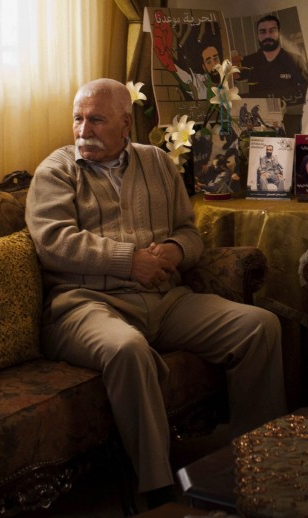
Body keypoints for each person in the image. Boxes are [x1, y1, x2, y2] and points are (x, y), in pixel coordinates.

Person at [25, 78, 287, 509]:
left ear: (126, 123)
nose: (83, 129)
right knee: (127, 348)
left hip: (165, 301)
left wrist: (174, 249)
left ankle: (261, 463)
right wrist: (129, 261)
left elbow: (189, 231)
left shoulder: (159, 164)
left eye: (96, 119)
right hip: (85, 306)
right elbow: (53, 242)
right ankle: (158, 489)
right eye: (78, 118)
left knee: (259, 326)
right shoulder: (56, 171)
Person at [241, 15, 308, 107]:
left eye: (272, 31)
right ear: (257, 35)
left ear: (279, 33)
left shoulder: (296, 60)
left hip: (290, 115)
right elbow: (231, 79)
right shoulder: (248, 61)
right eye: (262, 32)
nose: (267, 36)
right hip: (260, 116)